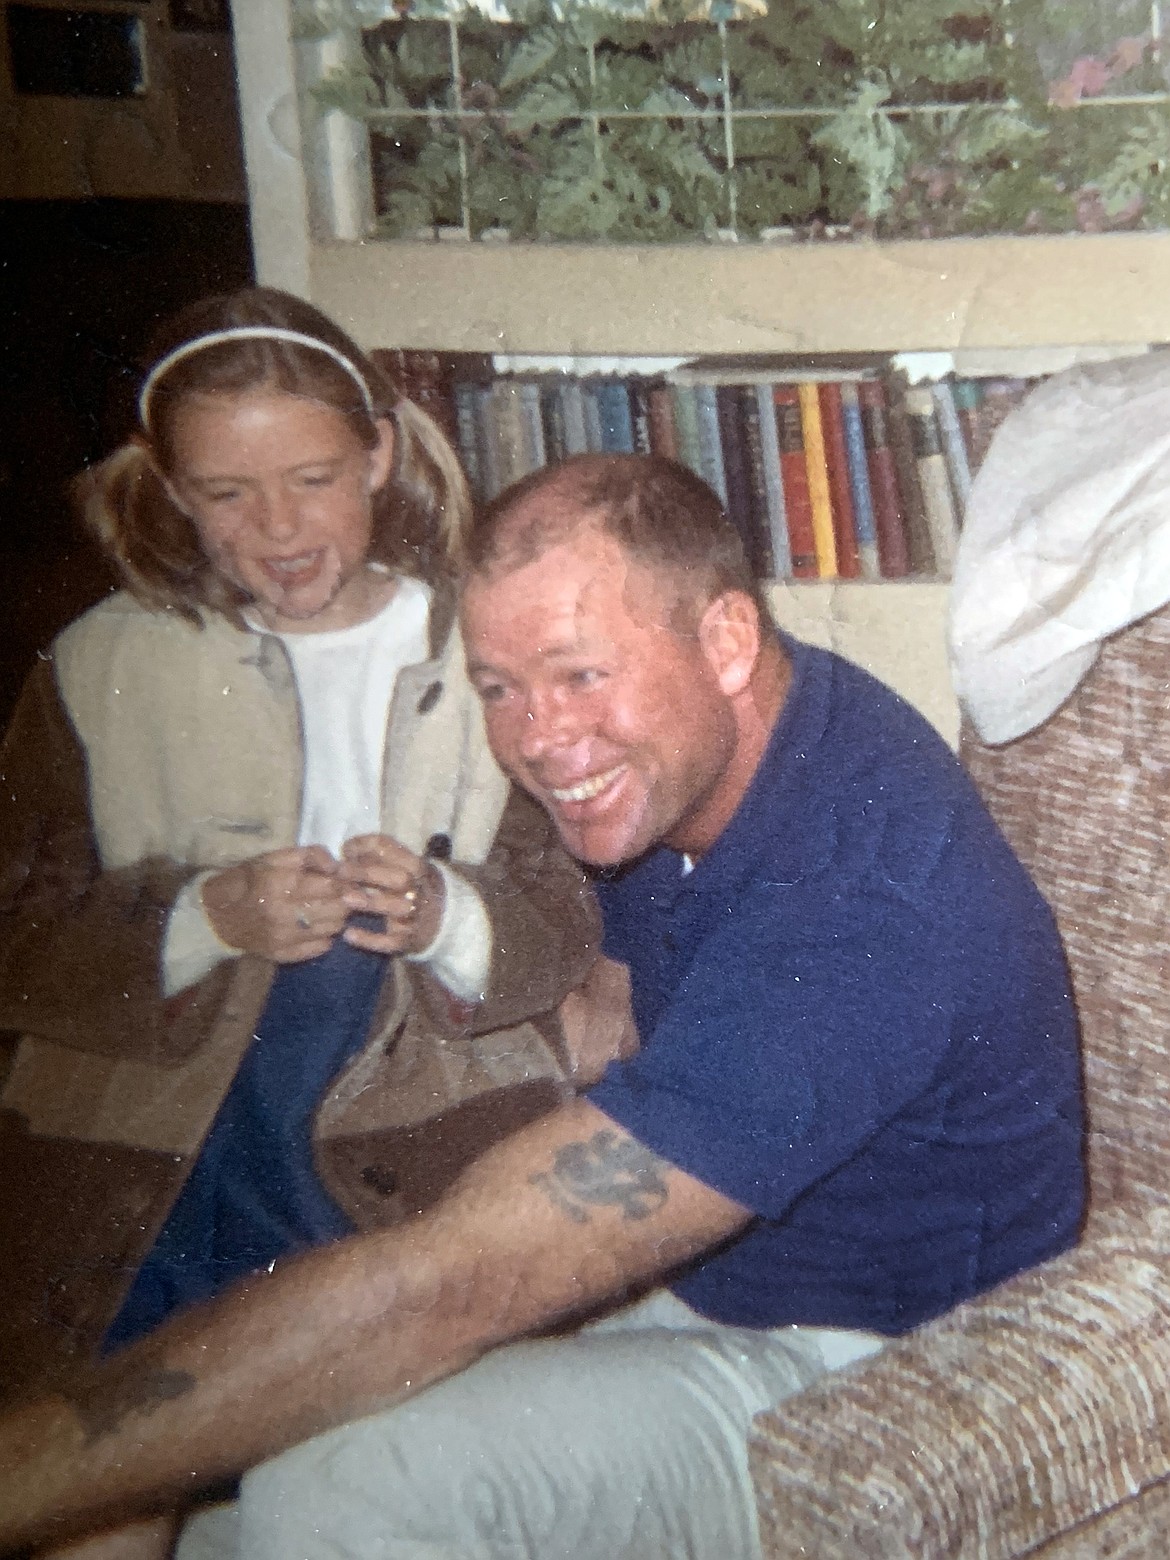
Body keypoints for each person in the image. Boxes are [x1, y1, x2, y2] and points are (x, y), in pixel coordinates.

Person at [0, 453, 1084, 1560]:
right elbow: (600, 985)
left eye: (577, 675)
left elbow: (449, 1286)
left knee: (345, 1483)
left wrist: (40, 1474)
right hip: (724, 1278)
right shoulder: (711, 756)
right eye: (499, 688)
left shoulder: (868, 906)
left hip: (890, 1362)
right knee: (230, 1495)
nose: (537, 742)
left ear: (723, 642)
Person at [0, 288, 600, 1410]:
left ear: (377, 456)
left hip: (411, 1095)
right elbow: (16, 927)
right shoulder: (100, 664)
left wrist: (444, 915)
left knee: (363, 1415)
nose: (279, 531)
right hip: (151, 1125)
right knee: (110, 1433)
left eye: (314, 480)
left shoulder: (485, 643)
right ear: (172, 491)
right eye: (228, 495)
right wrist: (203, 917)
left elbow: (562, 911)